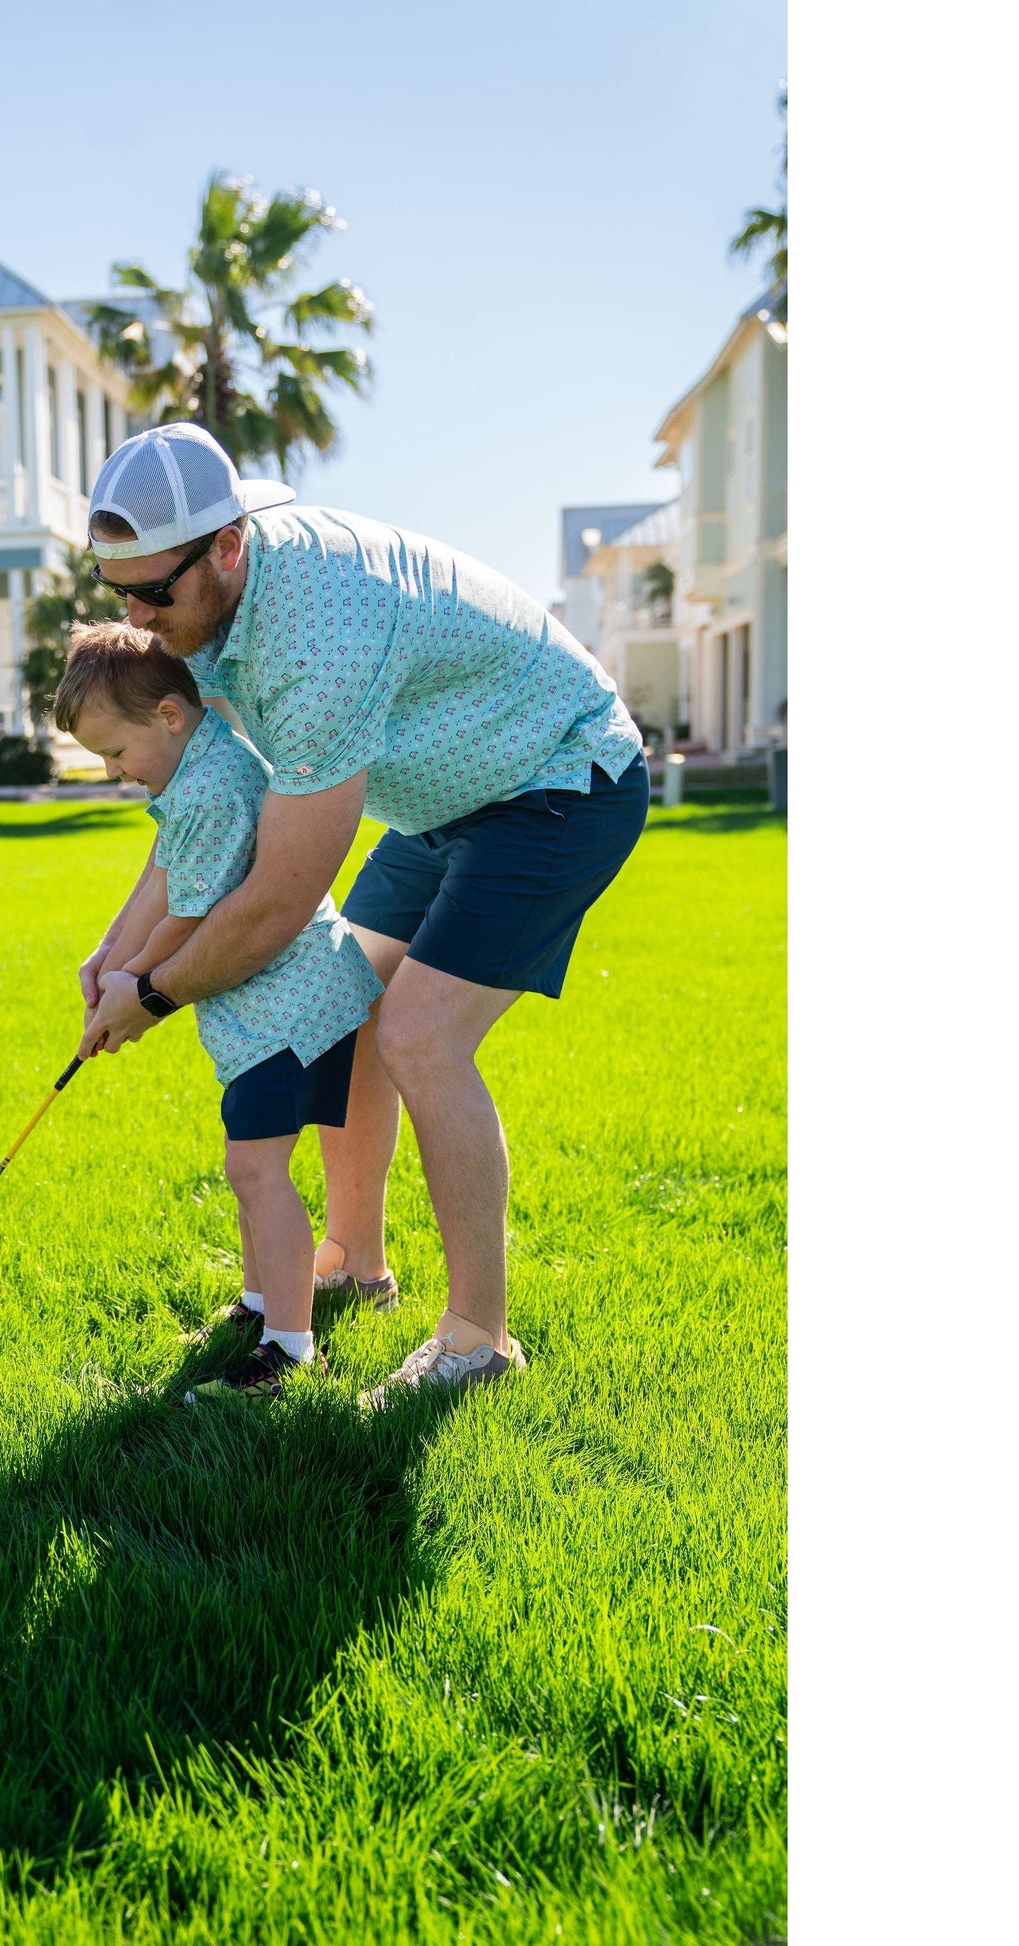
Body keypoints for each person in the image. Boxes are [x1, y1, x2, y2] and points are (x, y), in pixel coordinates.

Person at [76, 424, 649, 1407]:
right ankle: (350, 1260)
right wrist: (113, 949)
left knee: (421, 1038)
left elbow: (276, 899)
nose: (135, 617)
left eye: (152, 593)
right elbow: (197, 817)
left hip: (558, 773)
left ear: (225, 545)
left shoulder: (316, 638)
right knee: (352, 1004)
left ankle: (476, 1339)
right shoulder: (206, 597)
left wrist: (154, 993)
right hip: (442, 793)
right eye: (116, 592)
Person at [54, 622, 385, 1402]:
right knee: (250, 1165)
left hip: (292, 1011)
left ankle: (291, 1352)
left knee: (255, 1169)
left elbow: (190, 919)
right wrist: (107, 960)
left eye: (115, 753)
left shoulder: (208, 788)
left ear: (169, 716)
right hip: (269, 1010)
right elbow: (161, 873)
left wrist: (133, 986)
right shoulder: (192, 773)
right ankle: (262, 1306)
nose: (111, 771)